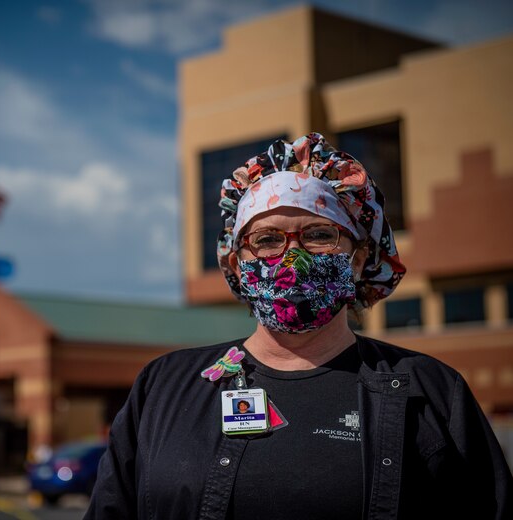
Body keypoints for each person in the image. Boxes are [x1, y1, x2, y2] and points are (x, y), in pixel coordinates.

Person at [85, 133, 512, 519]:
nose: (293, 258)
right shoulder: (163, 388)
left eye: (319, 235)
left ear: (359, 258)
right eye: (267, 240)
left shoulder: (432, 392)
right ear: (237, 264)